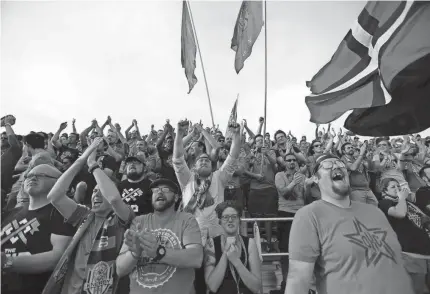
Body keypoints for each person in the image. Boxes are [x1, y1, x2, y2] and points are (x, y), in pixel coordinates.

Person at [286, 153, 415, 294]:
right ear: (315, 178)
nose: (336, 166)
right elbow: (298, 280)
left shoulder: (375, 211)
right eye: (328, 165)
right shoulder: (309, 216)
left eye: (340, 164)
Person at [42, 137, 135, 294]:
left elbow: (113, 198)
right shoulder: (85, 215)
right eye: (94, 192)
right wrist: (82, 159)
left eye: (101, 192)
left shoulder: (123, 218)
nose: (96, 196)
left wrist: (93, 165)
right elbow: (54, 197)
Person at [116, 178, 203, 294]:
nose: (160, 192)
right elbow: (120, 269)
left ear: (176, 197)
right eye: (156, 190)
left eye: (166, 189)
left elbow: (196, 258)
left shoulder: (186, 220)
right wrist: (134, 253)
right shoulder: (139, 222)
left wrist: (159, 252)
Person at [1, 164, 75, 294]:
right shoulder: (12, 212)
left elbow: (58, 257)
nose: (32, 178)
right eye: (29, 175)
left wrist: (8, 262)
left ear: (59, 183)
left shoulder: (61, 214)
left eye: (41, 175)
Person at [378, 178, 430, 294]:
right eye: (393, 187)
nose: (397, 189)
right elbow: (400, 214)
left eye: (398, 186)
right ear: (384, 191)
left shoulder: (408, 203)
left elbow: (425, 218)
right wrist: (402, 198)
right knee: (417, 290)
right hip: (410, 255)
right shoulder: (384, 203)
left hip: (425, 252)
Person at [204, 201, 261, 294]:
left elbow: (256, 287)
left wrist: (236, 261)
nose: (230, 220)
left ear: (239, 220)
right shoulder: (211, 244)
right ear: (220, 221)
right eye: (225, 217)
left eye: (234, 217)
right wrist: (225, 254)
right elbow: (212, 286)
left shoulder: (250, 244)